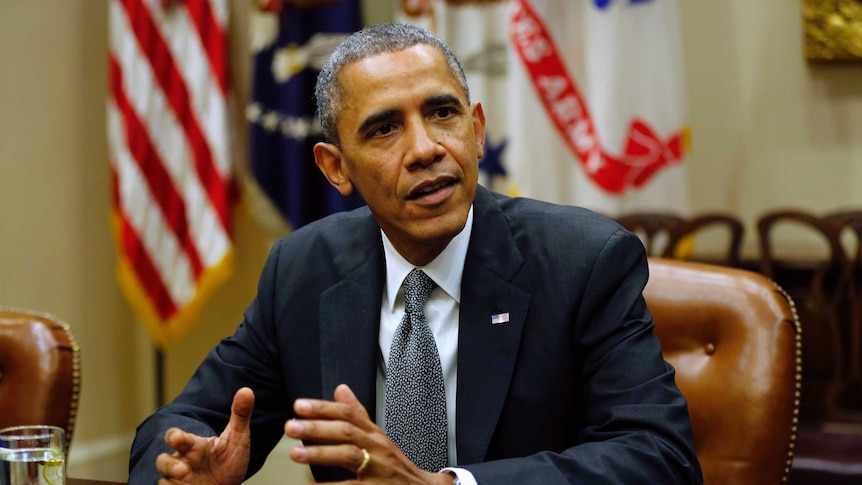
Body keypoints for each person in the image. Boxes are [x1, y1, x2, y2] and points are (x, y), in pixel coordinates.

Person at [128, 23, 703, 484]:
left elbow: (659, 457)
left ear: (476, 131)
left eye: (442, 113)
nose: (426, 149)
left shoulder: (584, 261)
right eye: (384, 130)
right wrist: (184, 468)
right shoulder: (304, 268)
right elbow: (183, 422)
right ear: (335, 168)